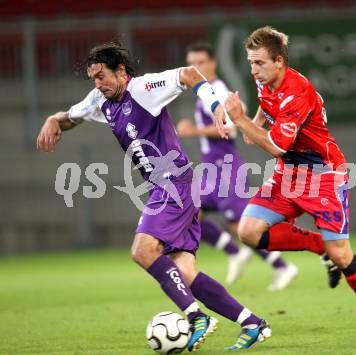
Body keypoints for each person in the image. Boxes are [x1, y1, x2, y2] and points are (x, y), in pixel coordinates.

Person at [36, 41, 272, 351]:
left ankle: (195, 317)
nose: (97, 83)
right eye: (93, 78)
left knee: (143, 251)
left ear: (121, 71)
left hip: (175, 185)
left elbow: (189, 74)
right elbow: (72, 117)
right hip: (169, 188)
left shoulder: (145, 88)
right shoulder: (99, 99)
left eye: (102, 76)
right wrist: (54, 119)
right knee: (184, 274)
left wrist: (215, 106)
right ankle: (252, 323)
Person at [218, 27, 356, 337]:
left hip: (324, 175)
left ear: (279, 61)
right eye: (250, 62)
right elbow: (266, 107)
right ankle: (317, 246)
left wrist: (240, 120)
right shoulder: (266, 82)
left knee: (342, 254)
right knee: (249, 231)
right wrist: (253, 122)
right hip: (289, 174)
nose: (253, 70)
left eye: (259, 63)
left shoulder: (297, 91)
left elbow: (275, 146)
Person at [176, 41, 298, 291]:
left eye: (200, 62)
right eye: (192, 63)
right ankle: (233, 253)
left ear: (212, 63)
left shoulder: (218, 89)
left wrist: (193, 131)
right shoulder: (204, 90)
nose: (195, 68)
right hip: (212, 168)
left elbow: (231, 129)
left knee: (241, 225)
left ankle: (282, 266)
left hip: (226, 168)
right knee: (189, 211)